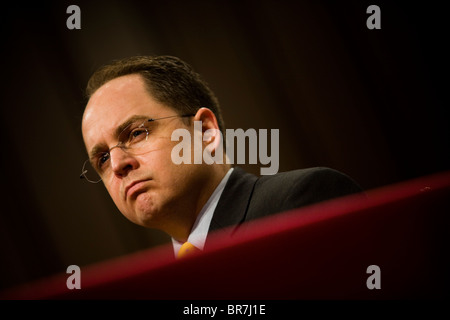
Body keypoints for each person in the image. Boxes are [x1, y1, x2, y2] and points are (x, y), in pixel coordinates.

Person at [80, 55, 363, 258]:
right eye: (102, 158)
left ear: (204, 131)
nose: (117, 165)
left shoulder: (300, 202)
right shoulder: (157, 287)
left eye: (136, 133)